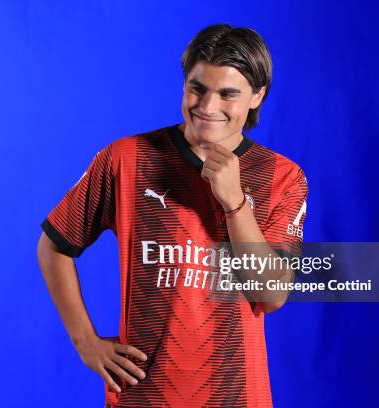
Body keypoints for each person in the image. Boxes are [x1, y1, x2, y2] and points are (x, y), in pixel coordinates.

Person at [37, 23, 308, 408]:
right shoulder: (126, 159)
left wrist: (234, 201)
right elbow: (53, 247)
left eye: (228, 94)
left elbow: (270, 295)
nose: (207, 106)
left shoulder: (281, 176)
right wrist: (86, 342)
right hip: (143, 395)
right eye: (198, 88)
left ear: (257, 96)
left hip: (236, 395)